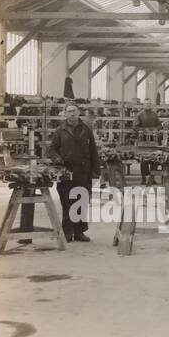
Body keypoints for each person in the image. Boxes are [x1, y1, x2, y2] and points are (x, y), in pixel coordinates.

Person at [46, 103, 99, 242]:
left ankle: (79, 232)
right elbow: (51, 149)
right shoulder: (60, 130)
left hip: (83, 171)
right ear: (65, 113)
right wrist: (58, 159)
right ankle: (67, 232)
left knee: (81, 201)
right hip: (66, 171)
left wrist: (96, 171)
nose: (72, 113)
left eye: (74, 111)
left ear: (78, 112)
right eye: (69, 111)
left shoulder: (86, 129)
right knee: (67, 202)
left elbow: (93, 151)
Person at [133, 99, 161, 184]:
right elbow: (135, 127)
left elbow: (159, 125)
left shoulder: (154, 114)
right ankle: (144, 178)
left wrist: (155, 129)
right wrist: (144, 130)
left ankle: (152, 178)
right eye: (146, 103)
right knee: (144, 159)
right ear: (143, 105)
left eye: (149, 103)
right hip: (143, 140)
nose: (148, 105)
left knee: (154, 158)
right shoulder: (139, 115)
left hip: (154, 139)